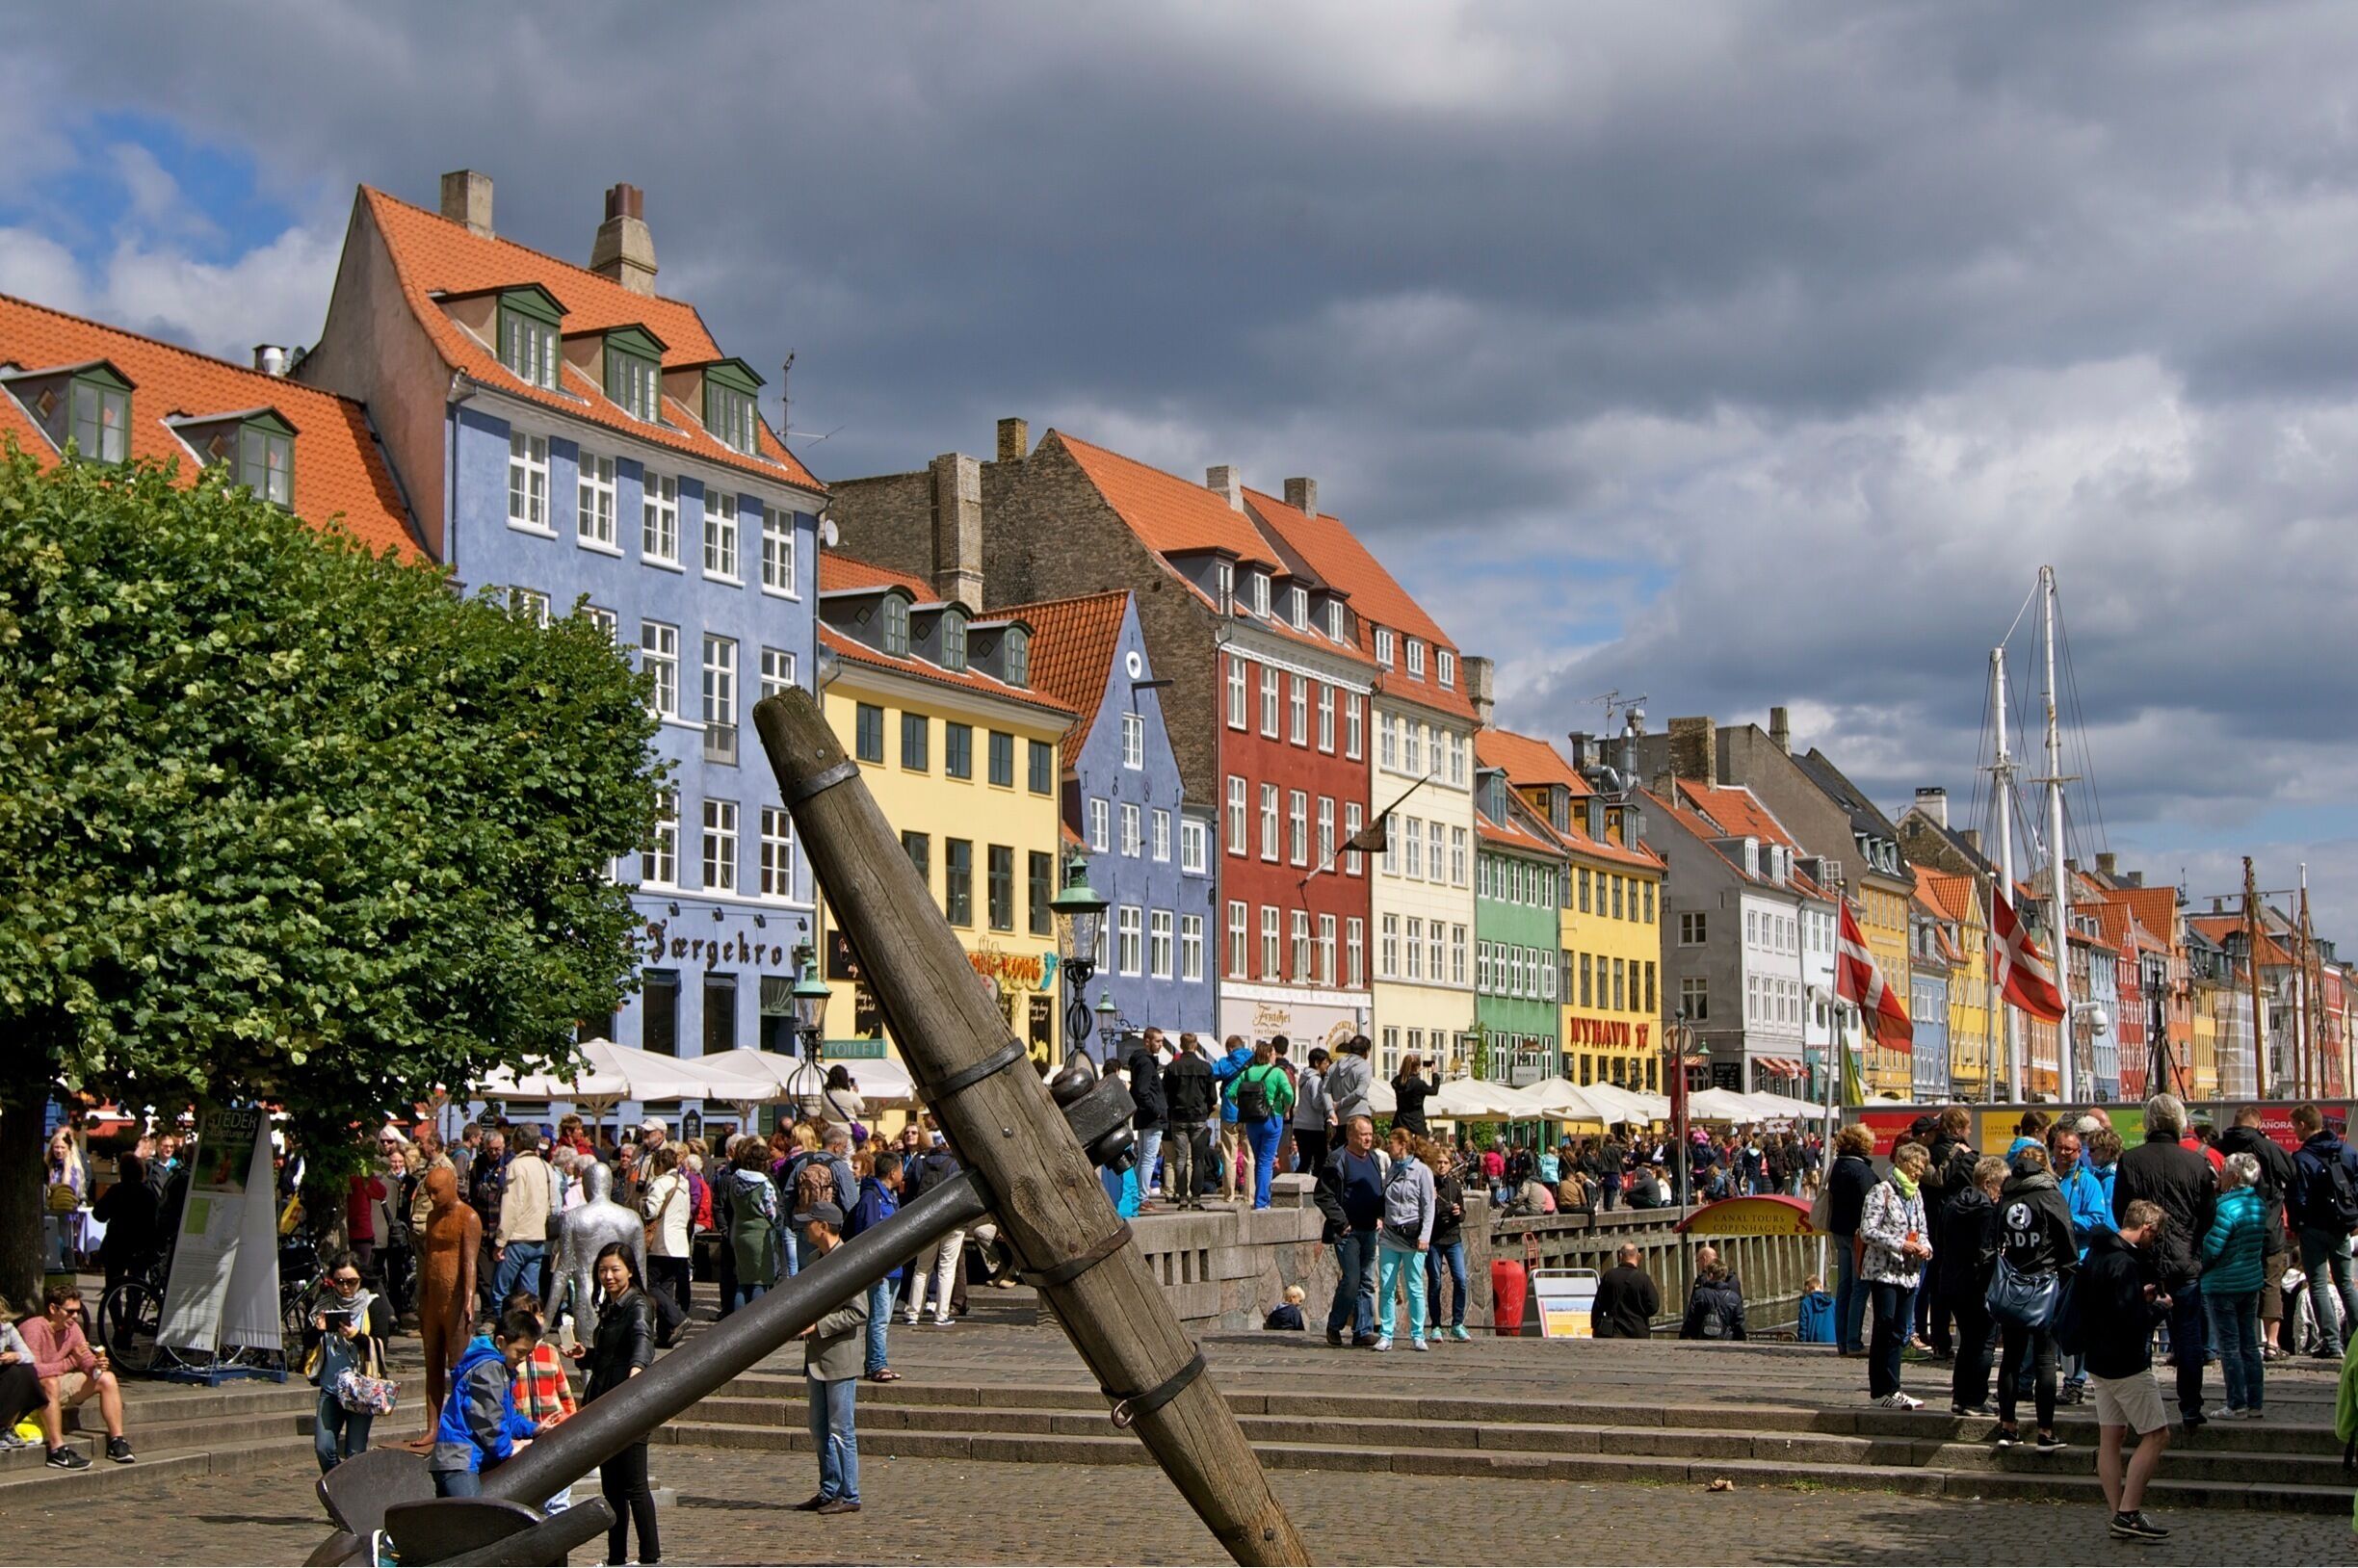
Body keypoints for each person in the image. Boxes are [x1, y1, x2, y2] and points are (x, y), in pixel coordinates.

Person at [2070, 1199, 2174, 1542]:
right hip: (2126, 1362)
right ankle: (2128, 1511)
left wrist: (2136, 1299)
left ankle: (2117, 1514)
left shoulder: (2096, 1253)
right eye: (2154, 1235)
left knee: (2110, 1439)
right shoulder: (2125, 1262)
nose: (2153, 1241)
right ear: (2146, 1228)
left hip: (2097, 1360)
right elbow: (2131, 1321)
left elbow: (2103, 1304)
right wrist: (2158, 1308)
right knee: (2157, 1435)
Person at [2112, 1093, 2215, 1425]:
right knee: (2189, 1336)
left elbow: (2121, 1212)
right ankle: (2190, 1406)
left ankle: (2138, 1405)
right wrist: (2191, 1241)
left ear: (2149, 1123)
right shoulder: (2196, 1163)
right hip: (2184, 1261)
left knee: (2138, 1333)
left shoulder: (2131, 1160)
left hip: (2144, 1261)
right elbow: (2208, 1214)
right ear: (2179, 1124)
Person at [569, 1244, 658, 1565]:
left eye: (615, 1269)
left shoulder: (637, 1304)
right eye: (603, 1270)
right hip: (605, 1404)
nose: (608, 1276)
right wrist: (587, 1355)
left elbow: (641, 1339)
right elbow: (611, 1355)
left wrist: (637, 1373)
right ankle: (616, 1558)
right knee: (612, 1489)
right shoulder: (612, 1306)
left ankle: (650, 1558)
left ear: (630, 1270)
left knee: (634, 1486)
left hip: (628, 1403)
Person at [1990, 1143, 2075, 1450]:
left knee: (2010, 1358)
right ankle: (2045, 1431)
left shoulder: (2007, 1196)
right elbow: (2067, 1242)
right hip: (2045, 1283)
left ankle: (2008, 1426)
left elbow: (1993, 1240)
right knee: (2045, 1359)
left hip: (2012, 1285)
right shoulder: (2050, 1195)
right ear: (2045, 1166)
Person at [792, 1200, 869, 1516]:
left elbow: (859, 1311)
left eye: (809, 1222)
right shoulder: (813, 1259)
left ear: (823, 1226)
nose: (803, 1227)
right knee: (819, 1428)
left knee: (841, 1429)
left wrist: (818, 1326)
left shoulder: (848, 1260)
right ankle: (828, 1489)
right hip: (816, 1358)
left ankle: (849, 1493)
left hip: (839, 1358)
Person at [429, 1304, 539, 1498]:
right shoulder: (490, 1369)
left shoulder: (500, 1368)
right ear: (500, 1342)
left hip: (463, 1457)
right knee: (474, 1520)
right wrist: (507, 1449)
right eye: (520, 1352)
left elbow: (507, 1415)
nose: (523, 1359)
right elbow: (489, 1419)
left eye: (528, 1354)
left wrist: (533, 1429)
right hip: (459, 1458)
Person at [2216, 1107, 2295, 1363]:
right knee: (2271, 1283)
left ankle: (2242, 1341)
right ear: (2258, 1123)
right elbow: (2292, 1173)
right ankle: (2271, 1344)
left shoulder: (2219, 1146)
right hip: (2268, 1226)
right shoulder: (2267, 1147)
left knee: (2239, 1284)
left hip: (2232, 1227)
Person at [22, 1284, 131, 1468]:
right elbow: (32, 1371)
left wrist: (96, 1365)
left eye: (78, 1312)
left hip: (55, 1383)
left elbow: (85, 1359)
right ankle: (57, 1450)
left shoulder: (72, 1329)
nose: (75, 1317)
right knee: (50, 1383)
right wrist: (70, 1362)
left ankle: (117, 1440)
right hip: (29, 1388)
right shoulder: (34, 1328)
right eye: (70, 1311)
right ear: (52, 1309)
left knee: (107, 1378)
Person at [1859, 1140, 1933, 1409]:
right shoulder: (1882, 1191)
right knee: (1885, 1325)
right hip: (1884, 1271)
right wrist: (1899, 1244)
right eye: (1915, 1166)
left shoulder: (1916, 1195)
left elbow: (1922, 1229)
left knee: (1901, 1329)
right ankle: (1883, 1389)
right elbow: (1867, 1230)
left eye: (1922, 1168)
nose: (1918, 1172)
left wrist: (1926, 1248)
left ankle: (1893, 1387)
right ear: (1902, 1162)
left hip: (1910, 1273)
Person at [310, 1252, 394, 1474]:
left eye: (351, 1281)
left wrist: (356, 1335)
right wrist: (316, 1329)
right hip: (330, 1387)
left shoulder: (373, 1304)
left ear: (360, 1279)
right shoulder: (325, 1303)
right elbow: (307, 1343)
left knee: (355, 1453)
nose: (345, 1287)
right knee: (324, 1447)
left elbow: (381, 1343)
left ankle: (348, 1498)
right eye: (339, 1282)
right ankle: (339, 1489)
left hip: (360, 1389)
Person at [2287, 1102, 2358, 1360]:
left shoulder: (2302, 1158)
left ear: (2304, 1125)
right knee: (2345, 1284)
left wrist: (2297, 1225)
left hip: (2313, 1228)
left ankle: (2330, 1341)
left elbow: (2298, 1197)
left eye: (2295, 1126)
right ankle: (2357, 1335)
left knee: (2317, 1284)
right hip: (2341, 1226)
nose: (2294, 1131)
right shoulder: (2347, 1152)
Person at [2200, 1152, 2268, 1420]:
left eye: (2225, 1171)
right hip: (2249, 1281)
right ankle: (2255, 1402)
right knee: (2249, 1344)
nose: (2221, 1175)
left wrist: (2198, 1265)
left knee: (2229, 1346)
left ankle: (2236, 1403)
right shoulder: (2258, 1205)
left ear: (2235, 1177)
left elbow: (2212, 1249)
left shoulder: (2225, 1208)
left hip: (2223, 1284)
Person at [1314, 1115, 1387, 1347]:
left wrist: (1380, 1215)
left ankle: (1363, 1331)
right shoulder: (1337, 1159)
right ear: (1351, 1136)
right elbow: (1322, 1195)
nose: (1368, 1138)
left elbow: (1377, 1190)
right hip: (1347, 1232)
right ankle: (1334, 1326)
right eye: (1363, 1134)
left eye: (1370, 1134)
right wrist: (1341, 1222)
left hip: (1369, 1228)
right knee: (1352, 1279)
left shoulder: (1374, 1157)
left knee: (1366, 1281)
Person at [1945, 1156, 2004, 1415]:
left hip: (1951, 1282)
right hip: (1976, 1284)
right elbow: (1986, 1252)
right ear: (1989, 1183)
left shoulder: (1952, 1204)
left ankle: (1960, 1396)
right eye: (2001, 1186)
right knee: (1983, 1343)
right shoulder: (1986, 1211)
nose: (2002, 1192)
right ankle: (1976, 1398)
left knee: (1967, 1341)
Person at [1373, 1126, 1435, 1352]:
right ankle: (1386, 1334)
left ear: (1404, 1145)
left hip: (1413, 1237)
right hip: (1390, 1234)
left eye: (1393, 1142)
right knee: (1387, 1285)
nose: (1389, 1146)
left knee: (1414, 1285)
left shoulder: (1422, 1171)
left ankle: (1418, 1334)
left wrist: (1425, 1236)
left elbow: (1429, 1207)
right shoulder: (1391, 1169)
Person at [848, 1152, 904, 1379]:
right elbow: (869, 1234)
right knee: (879, 1318)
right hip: (881, 1268)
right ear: (892, 1172)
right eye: (901, 1169)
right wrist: (874, 1266)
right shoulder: (872, 1197)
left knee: (884, 1318)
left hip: (894, 1267)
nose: (903, 1173)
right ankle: (876, 1364)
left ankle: (876, 1362)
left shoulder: (890, 1196)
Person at [1225, 1040, 1297, 1210]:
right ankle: (1262, 1201)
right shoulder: (1277, 1073)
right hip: (1272, 1119)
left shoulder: (1247, 1073)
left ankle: (1260, 1198)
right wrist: (1286, 1108)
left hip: (1252, 1121)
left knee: (1259, 1161)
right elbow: (1289, 1094)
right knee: (1266, 1161)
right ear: (1269, 1055)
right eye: (1273, 1054)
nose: (1274, 1057)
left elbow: (1230, 1093)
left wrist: (1242, 1107)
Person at [1827, 1124, 1878, 1356]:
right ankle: (1854, 1342)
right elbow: (1871, 1205)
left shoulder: (1838, 1166)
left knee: (1844, 1286)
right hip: (1858, 1234)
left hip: (1839, 1231)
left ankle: (1842, 1342)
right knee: (1860, 1287)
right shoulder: (1862, 1172)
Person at [900, 1141, 962, 1327]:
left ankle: (912, 1313)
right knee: (946, 1268)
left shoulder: (921, 1162)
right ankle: (941, 1314)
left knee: (921, 1268)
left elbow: (912, 1190)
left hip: (926, 1220)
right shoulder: (955, 1163)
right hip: (952, 1221)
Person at [493, 1130, 556, 1309]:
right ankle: (531, 1331)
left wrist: (501, 1240)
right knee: (530, 1295)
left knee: (500, 1293)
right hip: (538, 1237)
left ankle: (504, 1330)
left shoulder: (516, 1166)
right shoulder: (546, 1166)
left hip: (517, 1237)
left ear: (519, 1142)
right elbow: (553, 1204)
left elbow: (511, 1206)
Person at [720, 1138, 783, 1313]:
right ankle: (757, 1322)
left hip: (739, 1233)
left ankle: (737, 1320)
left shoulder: (735, 1180)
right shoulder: (764, 1185)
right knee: (759, 1282)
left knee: (743, 1280)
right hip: (760, 1237)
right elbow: (772, 1213)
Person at [640, 1145, 694, 1331]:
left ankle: (677, 1318)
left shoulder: (660, 1183)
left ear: (660, 1164)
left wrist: (642, 1205)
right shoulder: (684, 1183)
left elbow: (651, 1211)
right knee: (667, 1287)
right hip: (679, 1242)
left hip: (661, 1241)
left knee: (649, 1283)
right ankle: (666, 1332)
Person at [1162, 1035, 1217, 1209]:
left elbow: (1166, 1094)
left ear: (1181, 1046)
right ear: (1196, 1046)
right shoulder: (1206, 1068)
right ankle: (1196, 1198)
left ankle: (1183, 1196)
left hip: (1178, 1117)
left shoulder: (1172, 1068)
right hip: (1199, 1117)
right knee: (1198, 1159)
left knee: (1180, 1158)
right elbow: (1213, 1096)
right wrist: (1206, 1108)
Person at [1425, 1141, 1472, 1342]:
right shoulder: (1428, 1185)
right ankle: (1436, 1325)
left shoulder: (1455, 1186)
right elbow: (1422, 1214)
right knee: (1435, 1282)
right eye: (1438, 1162)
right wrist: (1431, 1201)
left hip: (1453, 1238)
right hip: (1434, 1239)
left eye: (1445, 1162)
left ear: (1450, 1165)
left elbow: (1463, 1215)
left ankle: (1457, 1323)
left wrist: (1457, 1212)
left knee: (1460, 1280)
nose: (1442, 1166)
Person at [1208, 1035, 1255, 1202]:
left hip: (1230, 1114)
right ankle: (1249, 1196)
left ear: (1229, 1049)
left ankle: (1229, 1195)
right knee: (1250, 1156)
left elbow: (1209, 1073)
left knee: (1229, 1156)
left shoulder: (1224, 1063)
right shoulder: (1254, 1060)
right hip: (1250, 1114)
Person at [1126, 1029, 1168, 1206]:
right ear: (1147, 1042)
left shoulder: (1141, 1061)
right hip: (1151, 1118)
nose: (1161, 1045)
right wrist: (1157, 1111)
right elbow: (1142, 1092)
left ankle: (1135, 1195)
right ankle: (1142, 1197)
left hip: (1145, 1117)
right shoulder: (1146, 1063)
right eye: (1157, 1041)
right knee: (1148, 1158)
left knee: (1143, 1157)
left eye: (1161, 1041)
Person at [1592, 1243, 1660, 1339]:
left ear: (1620, 1256)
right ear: (1639, 1256)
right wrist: (1640, 1313)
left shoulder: (1609, 1276)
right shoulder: (1643, 1279)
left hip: (1614, 1332)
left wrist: (1596, 1327)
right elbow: (1654, 1306)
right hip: (1638, 1332)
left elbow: (1598, 1306)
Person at [1291, 1047, 1333, 1176]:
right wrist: (1328, 1105)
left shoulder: (1304, 1077)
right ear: (1316, 1063)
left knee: (1305, 1161)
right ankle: (1315, 1188)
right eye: (1325, 1062)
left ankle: (1296, 1187)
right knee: (1320, 1159)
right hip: (1313, 1126)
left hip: (1300, 1124)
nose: (1327, 1065)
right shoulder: (1316, 1080)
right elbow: (1316, 1103)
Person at [1680, 1258, 1747, 1341]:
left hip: (1702, 1340)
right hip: (1726, 1340)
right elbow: (1739, 1324)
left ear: (1710, 1275)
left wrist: (1685, 1337)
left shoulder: (1699, 1294)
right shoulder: (1734, 1298)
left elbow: (1690, 1320)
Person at [1323, 1035, 1374, 1128]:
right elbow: (1359, 1092)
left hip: (1340, 1119)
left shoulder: (1333, 1067)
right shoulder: (1365, 1066)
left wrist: (1331, 1111)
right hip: (1360, 1116)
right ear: (1366, 1051)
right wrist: (1339, 1104)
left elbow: (1325, 1091)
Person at [1390, 1055, 1437, 1138]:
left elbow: (1402, 1079)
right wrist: (1435, 1074)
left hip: (1400, 1121)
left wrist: (1414, 1072)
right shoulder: (1419, 1084)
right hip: (1416, 1122)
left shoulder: (1397, 1081)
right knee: (1421, 1147)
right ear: (1416, 1067)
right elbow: (1434, 1091)